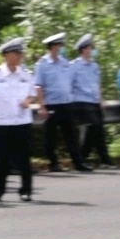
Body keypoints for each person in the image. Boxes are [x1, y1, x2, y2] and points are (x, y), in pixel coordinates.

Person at [0, 38, 36, 202]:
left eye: (20, 53)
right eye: (16, 53)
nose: (19, 56)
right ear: (6, 55)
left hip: (22, 122)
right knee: (2, 159)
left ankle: (26, 190)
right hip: (4, 122)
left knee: (24, 158)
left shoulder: (26, 74)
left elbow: (32, 93)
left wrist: (28, 101)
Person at [35, 32, 88, 172]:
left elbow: (70, 82)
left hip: (66, 103)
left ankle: (79, 163)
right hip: (51, 104)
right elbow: (38, 86)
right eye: (59, 45)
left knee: (71, 136)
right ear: (53, 47)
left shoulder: (65, 62)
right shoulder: (42, 64)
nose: (61, 48)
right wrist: (41, 105)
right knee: (50, 137)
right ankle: (54, 163)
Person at [71, 34, 116, 169]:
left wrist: (101, 100)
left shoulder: (95, 66)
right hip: (80, 101)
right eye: (90, 47)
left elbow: (97, 84)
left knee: (97, 129)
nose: (92, 50)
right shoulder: (74, 65)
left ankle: (85, 158)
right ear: (83, 49)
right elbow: (69, 83)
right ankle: (101, 158)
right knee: (95, 126)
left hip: (93, 101)